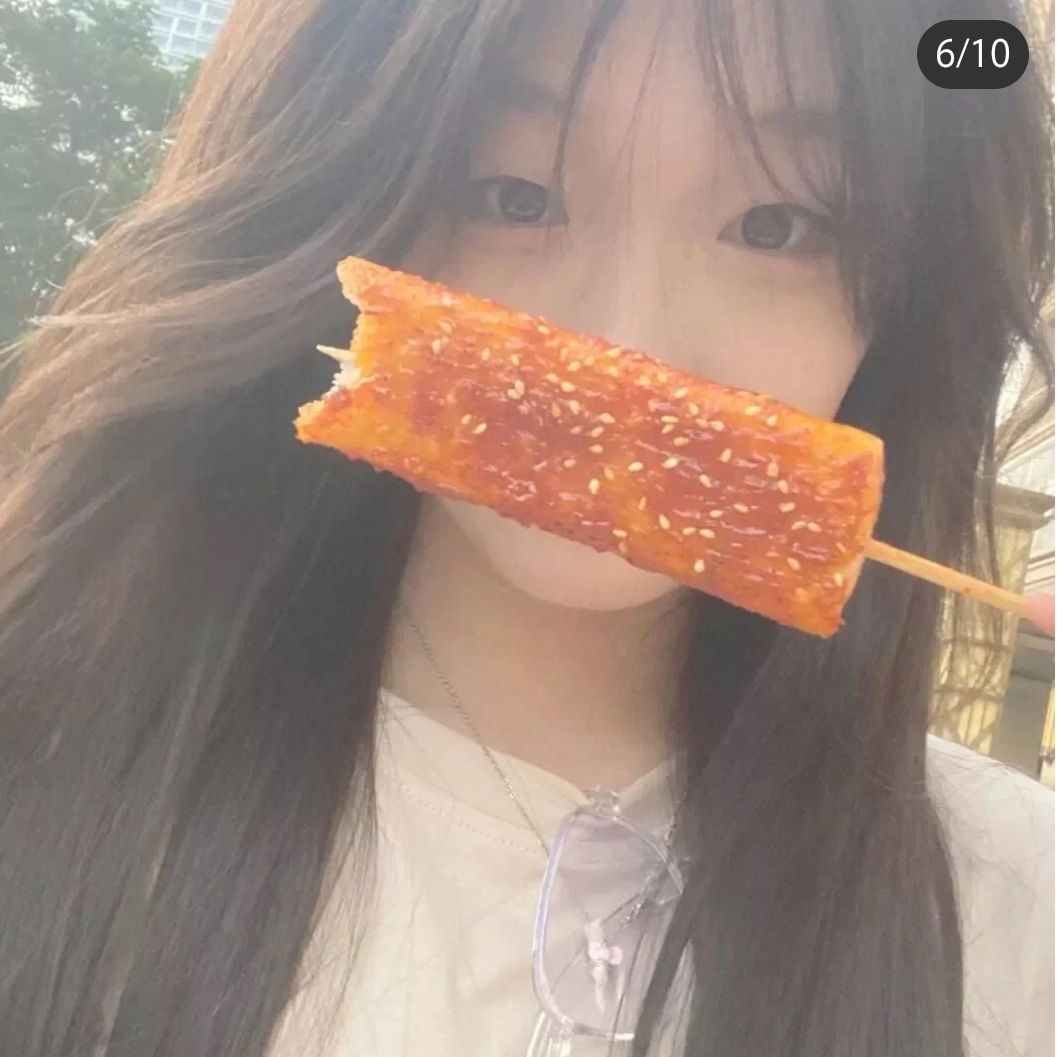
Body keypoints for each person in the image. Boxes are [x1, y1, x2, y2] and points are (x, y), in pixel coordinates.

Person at [0, 0, 1053, 1055]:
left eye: (776, 223)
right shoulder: (47, 743)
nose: (625, 342)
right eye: (514, 196)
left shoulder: (1014, 902)